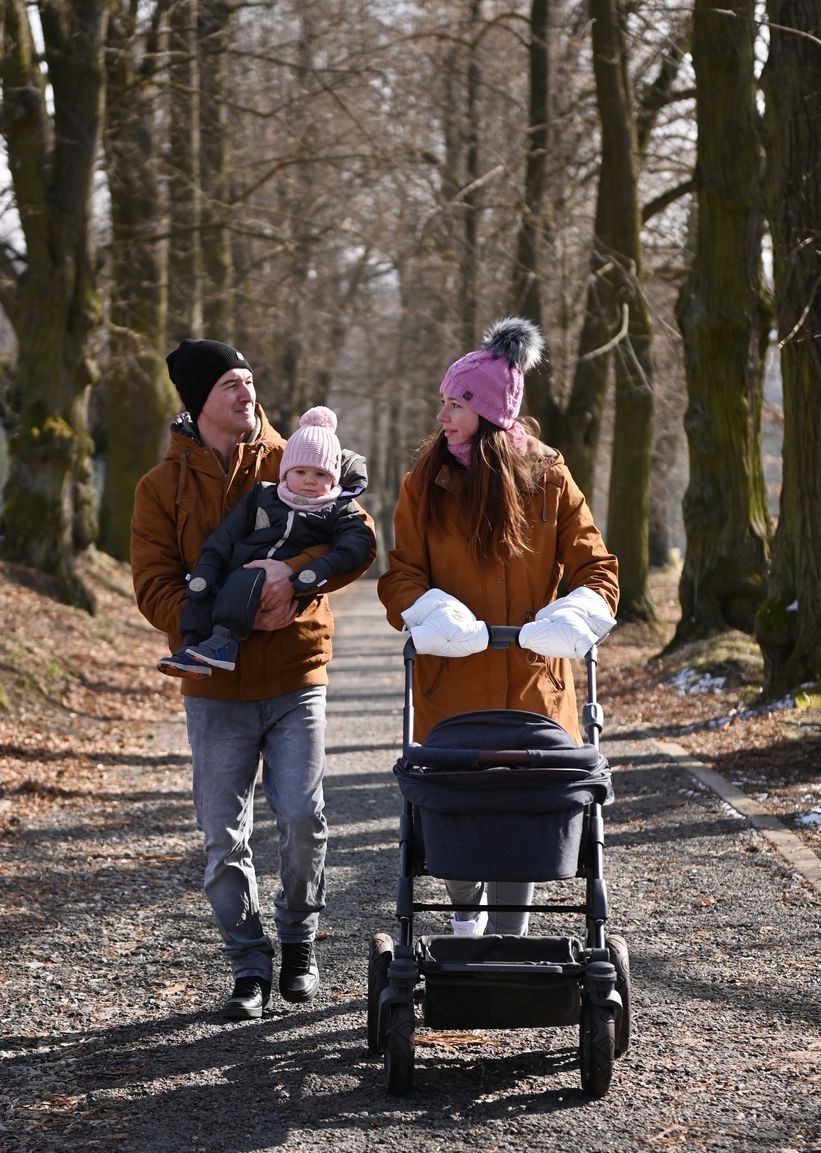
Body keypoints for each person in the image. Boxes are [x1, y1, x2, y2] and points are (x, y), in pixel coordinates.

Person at [131, 338, 376, 1019]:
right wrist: (219, 619)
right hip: (213, 688)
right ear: (198, 402)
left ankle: (298, 943)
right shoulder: (159, 487)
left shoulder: (298, 455)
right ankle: (247, 963)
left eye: (249, 381)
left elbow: (357, 536)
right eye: (231, 385)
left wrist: (291, 585)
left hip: (296, 673)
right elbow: (152, 587)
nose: (248, 394)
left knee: (302, 817)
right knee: (222, 837)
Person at [378, 316, 618, 937]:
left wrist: (575, 611)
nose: (442, 416)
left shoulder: (548, 478)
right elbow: (399, 575)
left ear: (488, 411)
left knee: (528, 810)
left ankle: (508, 938)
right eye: (443, 401)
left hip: (535, 686)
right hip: (450, 687)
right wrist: (431, 609)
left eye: (456, 403)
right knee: (457, 808)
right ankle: (464, 913)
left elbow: (597, 567)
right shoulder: (424, 484)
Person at [158, 405, 373, 676]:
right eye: (300, 472)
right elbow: (228, 533)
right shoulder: (264, 495)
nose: (309, 481)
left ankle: (224, 642)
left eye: (320, 474)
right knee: (207, 589)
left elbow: (357, 546)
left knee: (246, 577)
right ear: (285, 472)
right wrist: (208, 565)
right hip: (241, 567)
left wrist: (319, 567)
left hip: (287, 581)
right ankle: (192, 647)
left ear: (333, 478)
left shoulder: (338, 509)